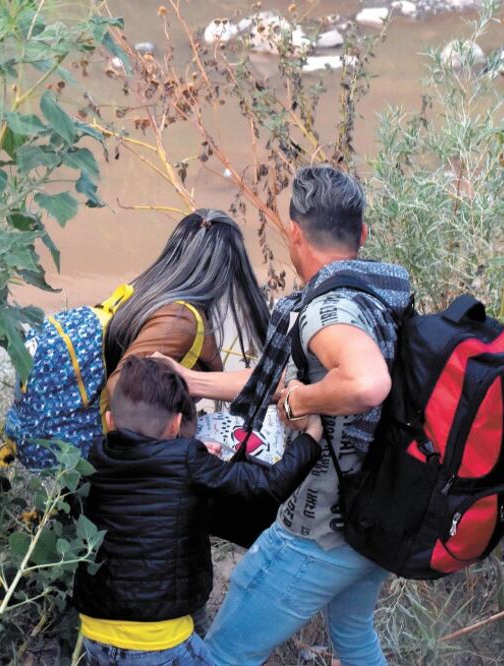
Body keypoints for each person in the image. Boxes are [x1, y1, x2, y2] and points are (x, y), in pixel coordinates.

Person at [169, 165, 412, 665]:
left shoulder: (326, 312)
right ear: (361, 235)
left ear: (293, 232)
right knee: (353, 637)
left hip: (317, 533)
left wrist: (300, 404)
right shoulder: (377, 294)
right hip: (372, 518)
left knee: (220, 657)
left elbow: (366, 384)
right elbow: (278, 380)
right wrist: (190, 381)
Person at [71, 356, 323, 666]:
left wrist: (197, 466)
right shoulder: (188, 459)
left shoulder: (93, 458)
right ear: (177, 424)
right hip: (157, 637)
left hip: (94, 628)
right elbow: (266, 486)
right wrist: (311, 437)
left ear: (110, 421)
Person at [103, 209, 268, 438]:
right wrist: (169, 450)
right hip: (122, 447)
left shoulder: (147, 294)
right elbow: (122, 386)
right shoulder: (179, 318)